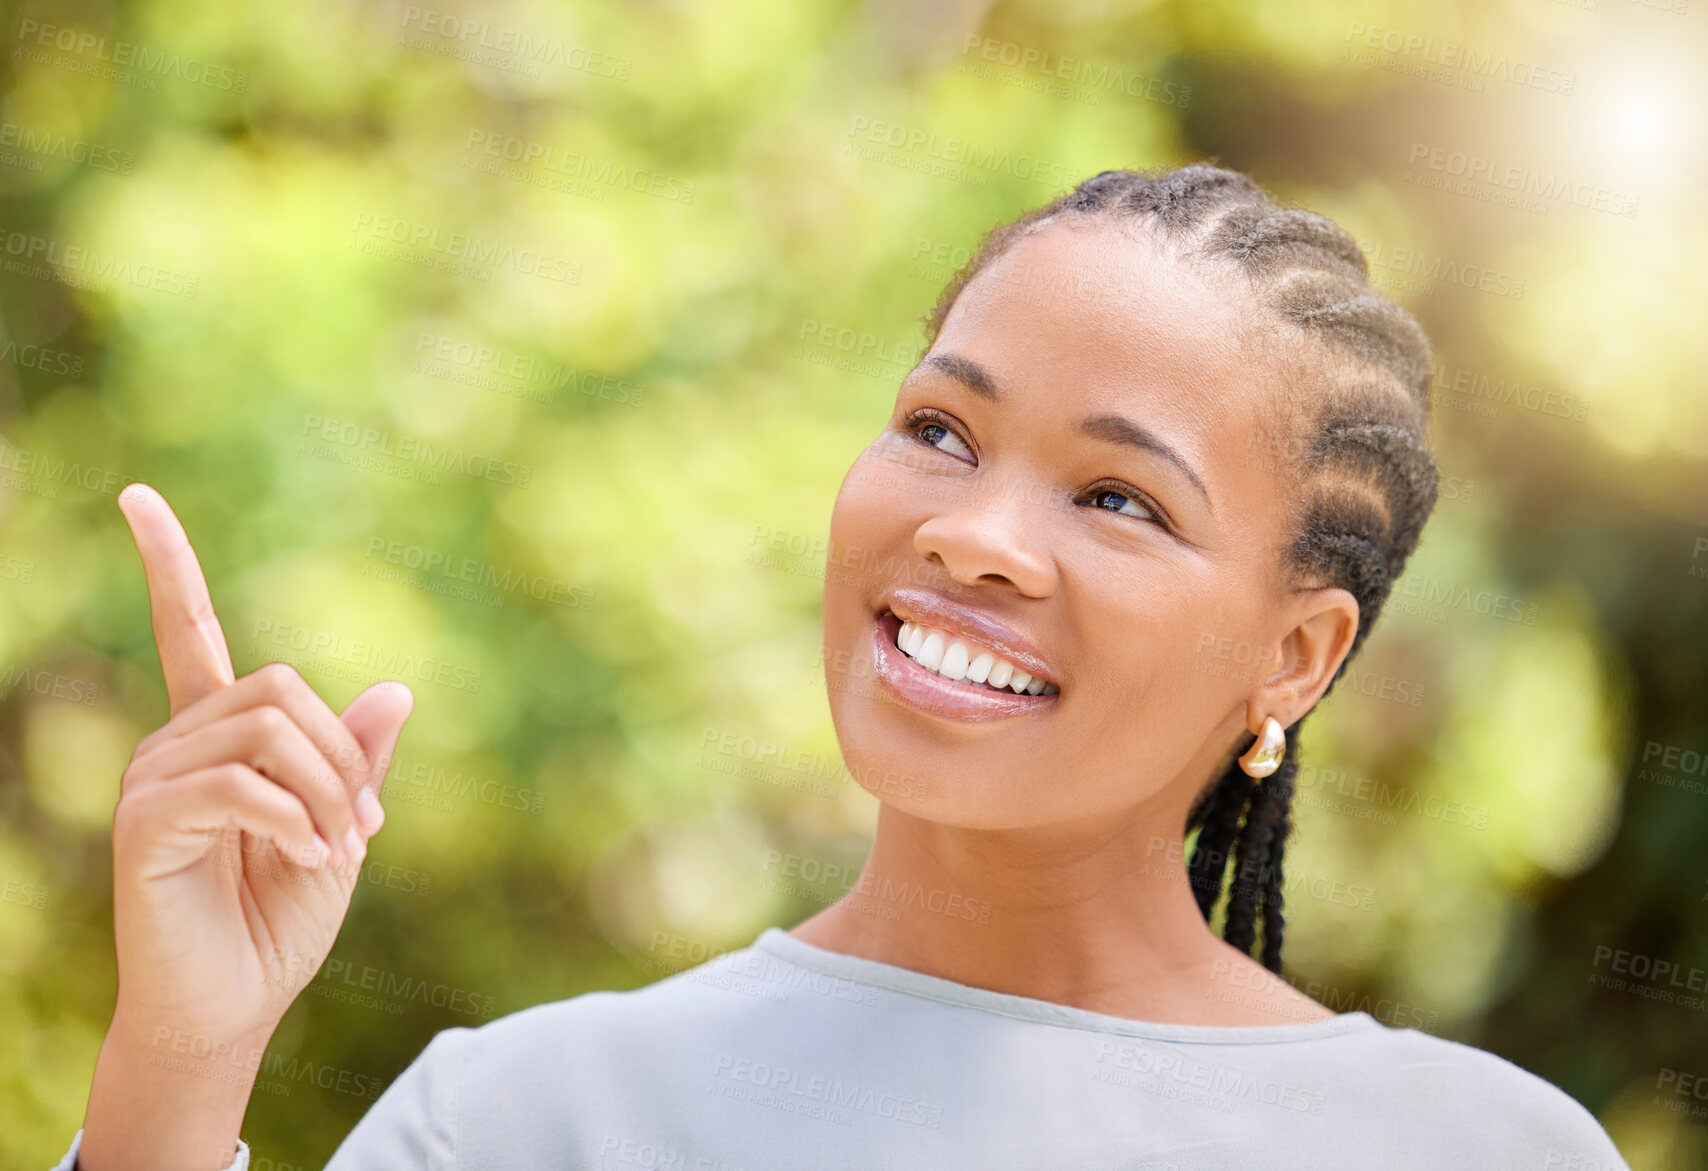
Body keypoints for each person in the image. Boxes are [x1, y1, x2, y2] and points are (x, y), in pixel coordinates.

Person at [58, 164, 1630, 1170]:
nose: (976, 535)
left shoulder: (1475, 1151)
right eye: (941, 432)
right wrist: (180, 1070)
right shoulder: (533, 1120)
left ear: (1296, 655)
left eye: (1118, 499)